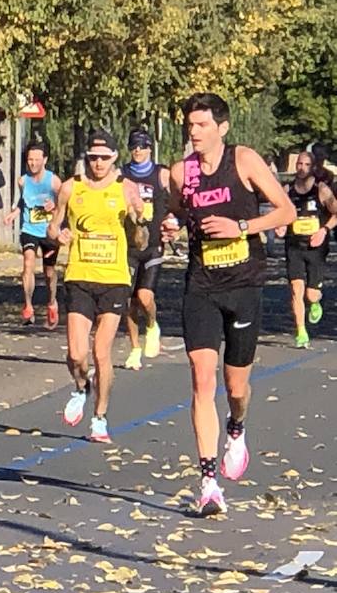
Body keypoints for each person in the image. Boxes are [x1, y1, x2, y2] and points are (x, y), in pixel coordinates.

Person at [161, 92, 296, 515]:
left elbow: (286, 211)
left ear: (221, 127)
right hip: (201, 285)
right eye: (189, 124)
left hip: (244, 284)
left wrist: (241, 227)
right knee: (202, 380)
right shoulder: (181, 173)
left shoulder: (244, 160)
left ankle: (237, 428)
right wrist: (171, 225)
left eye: (201, 124)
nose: (193, 131)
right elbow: (177, 215)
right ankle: (207, 483)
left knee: (235, 387)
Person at [47, 129, 148, 443]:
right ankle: (81, 386)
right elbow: (54, 225)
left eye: (105, 157)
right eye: (93, 158)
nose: (99, 163)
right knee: (77, 354)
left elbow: (140, 242)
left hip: (114, 279)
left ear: (115, 157)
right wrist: (57, 235)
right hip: (79, 276)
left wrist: (138, 221)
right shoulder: (69, 188)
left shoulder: (127, 189)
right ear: (86, 158)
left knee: (100, 351)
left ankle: (100, 418)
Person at [121, 129, 170, 370]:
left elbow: (179, 202)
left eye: (141, 146)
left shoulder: (161, 174)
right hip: (127, 246)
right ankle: (134, 348)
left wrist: (172, 222)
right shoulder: (121, 174)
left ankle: (152, 325)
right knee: (128, 301)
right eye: (134, 146)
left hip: (153, 246)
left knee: (144, 297)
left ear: (150, 148)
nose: (137, 150)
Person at [3, 143, 62, 328]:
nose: (33, 163)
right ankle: (28, 307)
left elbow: (65, 204)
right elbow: (23, 201)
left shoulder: (54, 181)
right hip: (29, 229)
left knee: (49, 272)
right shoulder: (23, 181)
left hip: (49, 231)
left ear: (44, 160)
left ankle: (52, 303)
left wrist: (54, 206)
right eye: (30, 159)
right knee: (28, 263)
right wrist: (15, 212)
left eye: (37, 159)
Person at [282, 150, 337, 348]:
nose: (302, 168)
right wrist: (279, 225)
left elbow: (335, 213)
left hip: (316, 247)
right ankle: (301, 331)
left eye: (306, 164)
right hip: (294, 246)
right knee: (296, 290)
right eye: (299, 164)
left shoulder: (320, 189)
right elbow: (278, 212)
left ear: (312, 167)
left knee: (310, 294)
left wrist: (324, 230)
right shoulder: (288, 190)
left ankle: (315, 302)